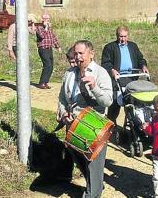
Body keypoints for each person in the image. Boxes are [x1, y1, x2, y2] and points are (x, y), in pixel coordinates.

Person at [57, 40, 113, 198]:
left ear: (91, 54)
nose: (78, 56)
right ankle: (94, 184)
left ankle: (92, 193)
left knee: (94, 164)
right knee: (76, 155)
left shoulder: (100, 73)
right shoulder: (69, 73)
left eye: (81, 53)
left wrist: (95, 87)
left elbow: (108, 101)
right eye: (76, 53)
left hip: (94, 125)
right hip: (73, 124)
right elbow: (62, 97)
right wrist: (63, 113)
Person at [101, 26, 149, 124]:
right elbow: (105, 63)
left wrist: (143, 65)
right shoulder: (110, 47)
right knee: (115, 100)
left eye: (125, 36)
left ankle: (134, 122)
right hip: (117, 78)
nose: (123, 39)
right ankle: (111, 121)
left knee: (134, 100)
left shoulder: (133, 46)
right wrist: (112, 70)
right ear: (117, 36)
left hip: (132, 78)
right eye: (121, 36)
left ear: (128, 36)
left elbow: (140, 59)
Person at [30, 13, 61, 89]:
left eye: (48, 19)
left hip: (49, 48)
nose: (47, 20)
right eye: (45, 19)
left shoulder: (50, 28)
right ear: (42, 20)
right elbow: (42, 36)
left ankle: (45, 82)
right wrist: (46, 28)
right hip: (43, 48)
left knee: (51, 66)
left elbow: (53, 37)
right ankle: (42, 83)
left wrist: (58, 46)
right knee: (47, 65)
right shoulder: (39, 27)